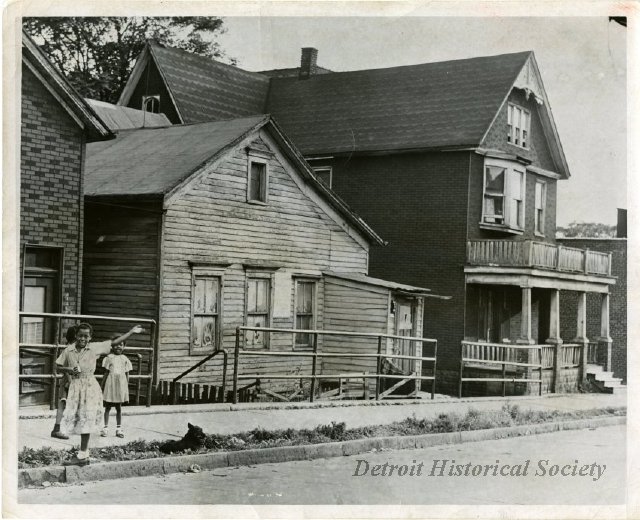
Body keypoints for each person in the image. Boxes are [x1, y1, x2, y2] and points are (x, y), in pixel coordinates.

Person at [56, 322, 143, 466]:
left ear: (90, 337)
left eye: (86, 336)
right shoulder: (69, 350)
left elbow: (115, 342)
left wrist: (131, 332)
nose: (82, 339)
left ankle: (83, 455)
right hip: (75, 386)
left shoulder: (94, 348)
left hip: (90, 386)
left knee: (86, 418)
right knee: (79, 419)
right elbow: (57, 366)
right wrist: (69, 370)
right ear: (76, 336)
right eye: (80, 336)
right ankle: (84, 454)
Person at [100, 335, 133, 438]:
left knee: (119, 407)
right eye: (116, 345)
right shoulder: (109, 358)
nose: (118, 347)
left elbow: (127, 374)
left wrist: (126, 387)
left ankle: (118, 429)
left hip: (120, 386)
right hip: (110, 385)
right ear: (112, 346)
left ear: (124, 346)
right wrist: (102, 385)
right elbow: (106, 372)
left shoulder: (125, 359)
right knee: (108, 407)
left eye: (121, 344)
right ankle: (105, 428)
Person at [50, 325, 77, 440]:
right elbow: (61, 366)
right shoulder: (68, 349)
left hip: (77, 380)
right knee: (63, 404)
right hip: (68, 381)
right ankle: (56, 429)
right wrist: (70, 379)